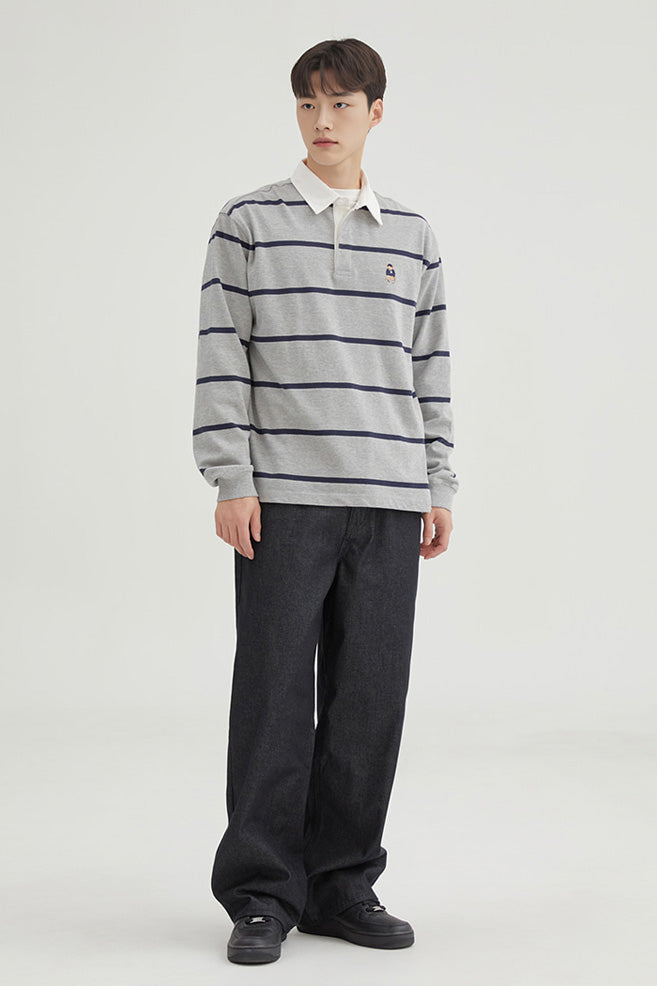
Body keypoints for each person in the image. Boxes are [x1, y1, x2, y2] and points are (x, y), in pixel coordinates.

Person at [192, 37, 459, 965]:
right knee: (272, 696)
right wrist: (231, 476)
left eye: (341, 104)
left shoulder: (414, 234)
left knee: (367, 700)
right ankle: (262, 892)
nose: (321, 122)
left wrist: (438, 482)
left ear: (375, 112)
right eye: (308, 104)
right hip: (284, 500)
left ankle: (342, 884)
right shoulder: (247, 223)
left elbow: (429, 369)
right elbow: (222, 355)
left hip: (389, 500)